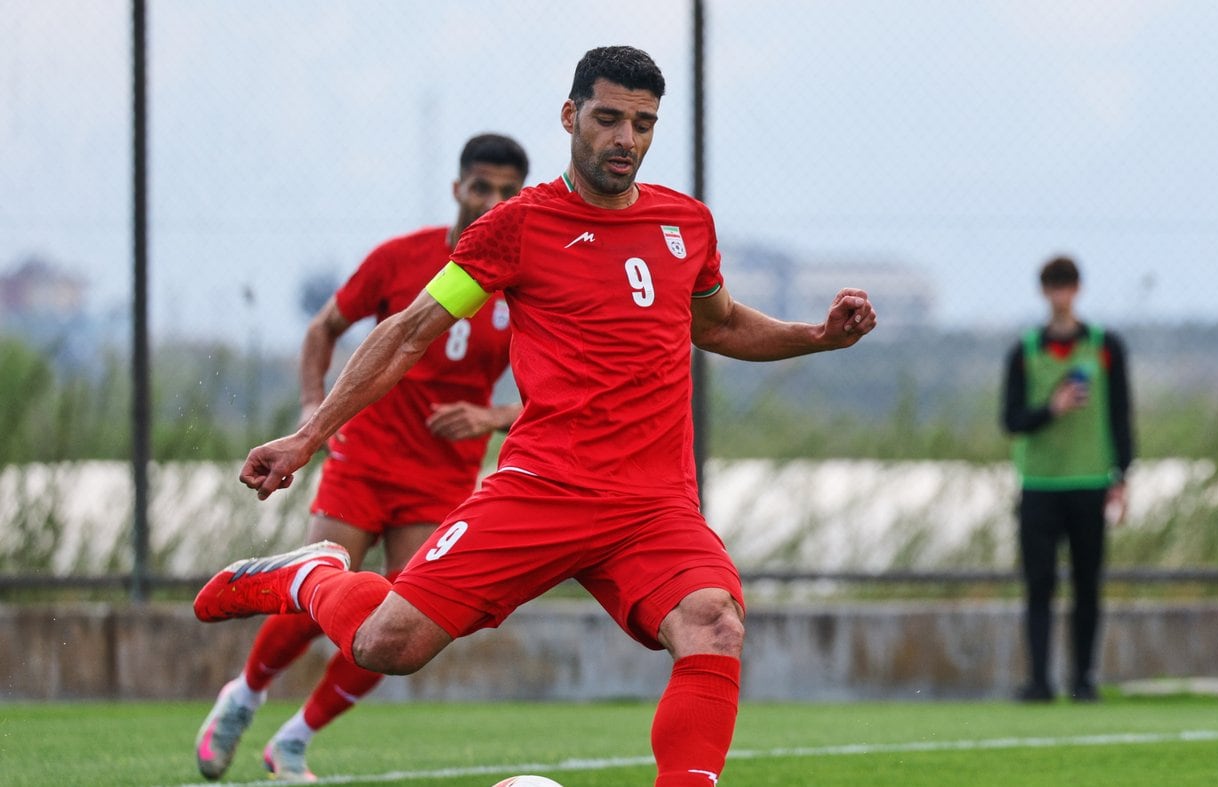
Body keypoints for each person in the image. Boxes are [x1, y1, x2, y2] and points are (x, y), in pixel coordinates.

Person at [193, 45, 876, 787]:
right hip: (543, 489)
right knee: (390, 644)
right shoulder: (518, 226)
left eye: (643, 123)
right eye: (608, 118)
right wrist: (308, 435)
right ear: (570, 116)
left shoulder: (686, 224)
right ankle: (311, 577)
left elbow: (718, 325)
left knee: (714, 622)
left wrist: (816, 335)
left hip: (653, 505)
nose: (626, 139)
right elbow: (410, 332)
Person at [195, 133, 530, 782]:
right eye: (482, 187)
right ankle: (243, 696)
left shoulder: (522, 278)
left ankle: (294, 740)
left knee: (405, 619)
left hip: (442, 476)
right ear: (457, 189)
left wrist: (492, 417)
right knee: (317, 589)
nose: (493, 202)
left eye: (508, 192)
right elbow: (324, 328)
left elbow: (557, 392)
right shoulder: (400, 259)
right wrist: (311, 411)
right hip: (366, 457)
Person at [1001, 255, 1134, 703]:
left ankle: (1083, 680)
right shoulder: (1025, 350)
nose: (1061, 293)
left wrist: (1122, 476)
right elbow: (1011, 419)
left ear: (1078, 289)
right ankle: (1039, 681)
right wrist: (1051, 409)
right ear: (1044, 291)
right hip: (1039, 484)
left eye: (1067, 284)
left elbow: (1120, 415)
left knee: (1087, 585)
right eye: (1054, 285)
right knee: (1038, 586)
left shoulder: (1105, 346)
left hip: (1090, 482)